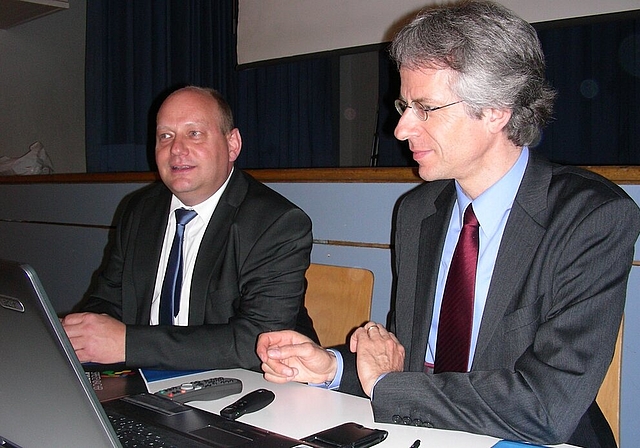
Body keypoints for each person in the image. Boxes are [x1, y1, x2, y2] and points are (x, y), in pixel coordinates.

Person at [256, 2, 640, 447]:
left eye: (426, 108)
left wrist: (384, 385)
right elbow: (405, 359)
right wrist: (335, 368)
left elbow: (547, 405)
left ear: (496, 109)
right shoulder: (418, 210)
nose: (400, 130)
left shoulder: (590, 217)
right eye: (405, 105)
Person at [62, 86, 317, 371]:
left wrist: (128, 344)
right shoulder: (139, 210)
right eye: (165, 136)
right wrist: (82, 335)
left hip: (249, 388)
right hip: (144, 382)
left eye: (194, 133)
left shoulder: (277, 223)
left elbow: (257, 341)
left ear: (232, 144)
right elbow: (108, 300)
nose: (176, 149)